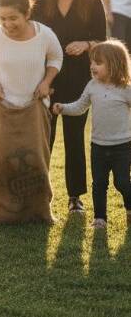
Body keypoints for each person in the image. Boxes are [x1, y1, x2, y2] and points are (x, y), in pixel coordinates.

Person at [0, 0, 62, 224]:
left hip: (34, 106)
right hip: (1, 105)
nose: (7, 24)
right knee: (0, 159)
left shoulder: (45, 35)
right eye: (2, 19)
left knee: (35, 158)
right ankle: (2, 211)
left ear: (26, 14)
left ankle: (37, 211)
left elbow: (56, 57)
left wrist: (46, 81)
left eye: (13, 18)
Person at [31, 0, 107, 214]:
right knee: (43, 138)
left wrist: (87, 44)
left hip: (77, 80)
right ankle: (39, 193)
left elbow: (103, 41)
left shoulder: (93, 2)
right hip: (45, 80)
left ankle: (75, 196)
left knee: (74, 138)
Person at [52, 41, 131, 229]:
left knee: (121, 182)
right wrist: (63, 108)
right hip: (98, 146)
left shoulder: (125, 89)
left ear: (114, 64)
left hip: (122, 146)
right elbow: (80, 106)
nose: (92, 66)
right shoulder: (92, 86)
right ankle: (100, 218)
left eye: (98, 63)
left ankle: (129, 207)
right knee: (99, 184)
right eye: (92, 62)